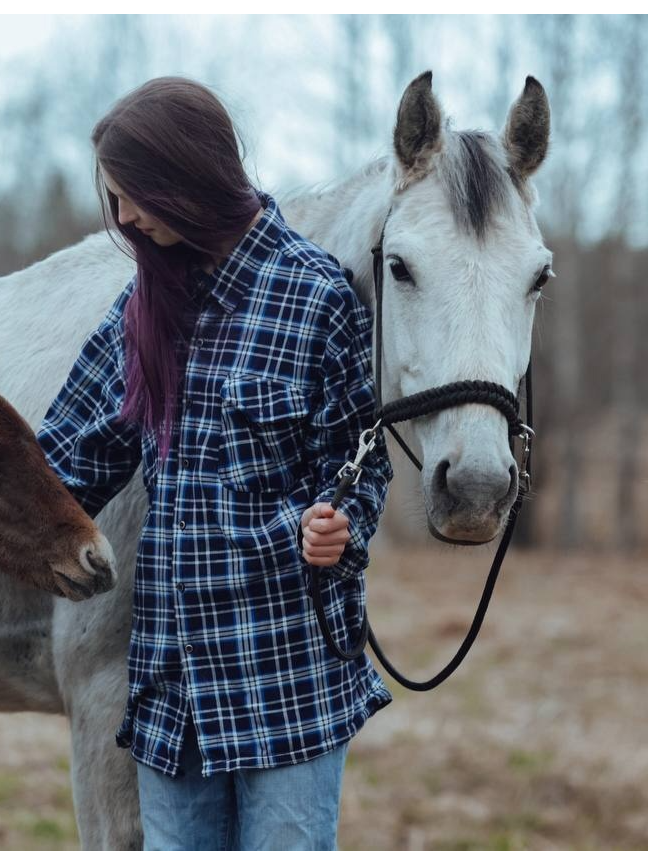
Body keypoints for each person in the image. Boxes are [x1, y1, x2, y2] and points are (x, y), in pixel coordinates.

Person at [36, 76, 395, 851]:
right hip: (175, 681)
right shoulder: (142, 307)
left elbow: (361, 461)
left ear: (185, 175)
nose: (124, 216)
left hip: (284, 671)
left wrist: (342, 526)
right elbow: (61, 459)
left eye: (133, 195)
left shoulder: (313, 293)